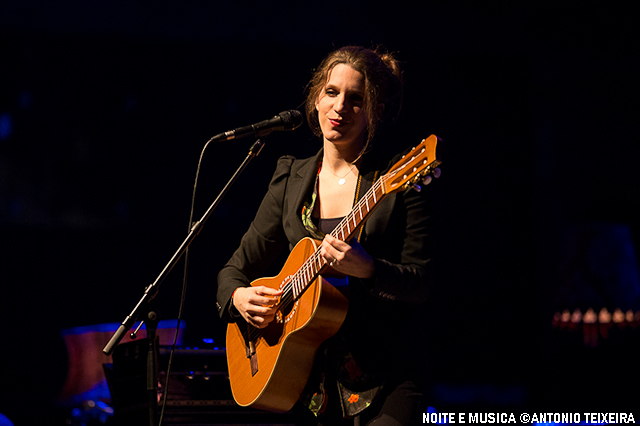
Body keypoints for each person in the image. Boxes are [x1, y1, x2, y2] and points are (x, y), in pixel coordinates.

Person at [216, 46, 437, 425]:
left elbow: (423, 284)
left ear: (374, 111)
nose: (340, 107)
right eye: (332, 93)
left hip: (384, 378)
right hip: (304, 382)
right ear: (315, 98)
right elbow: (234, 270)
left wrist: (368, 269)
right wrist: (238, 296)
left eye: (356, 99)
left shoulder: (394, 183)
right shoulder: (290, 178)